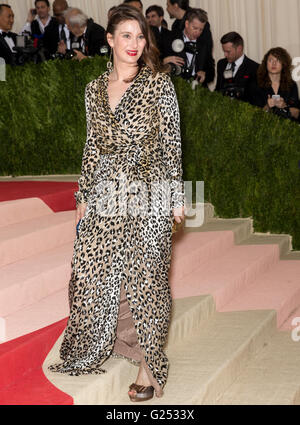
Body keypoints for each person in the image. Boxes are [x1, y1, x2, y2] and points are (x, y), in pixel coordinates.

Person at [48, 4, 185, 403]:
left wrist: (176, 199)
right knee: (91, 269)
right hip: (107, 189)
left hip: (151, 189)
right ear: (108, 39)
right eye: (126, 35)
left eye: (141, 36)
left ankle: (149, 367)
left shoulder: (159, 84)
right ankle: (101, 343)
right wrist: (83, 195)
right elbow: (92, 146)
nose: (135, 44)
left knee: (148, 280)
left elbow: (172, 144)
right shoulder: (93, 88)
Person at [163, 8, 215, 86]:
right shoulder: (169, 38)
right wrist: (164, 61)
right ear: (186, 24)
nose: (197, 32)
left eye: (201, 29)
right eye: (195, 28)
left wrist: (205, 74)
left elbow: (211, 71)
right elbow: (154, 63)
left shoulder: (204, 44)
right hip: (176, 88)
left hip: (198, 90)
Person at [253, 47, 300, 121]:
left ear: (284, 64)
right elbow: (252, 116)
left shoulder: (291, 85)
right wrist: (267, 106)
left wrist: (285, 107)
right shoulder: (256, 84)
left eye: (278, 60)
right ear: (266, 63)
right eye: (270, 60)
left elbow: (297, 113)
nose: (274, 63)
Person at [215, 32, 259, 103]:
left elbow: (254, 98)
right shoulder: (221, 64)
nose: (225, 55)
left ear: (239, 48)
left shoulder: (254, 68)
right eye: (224, 51)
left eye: (228, 52)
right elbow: (218, 89)